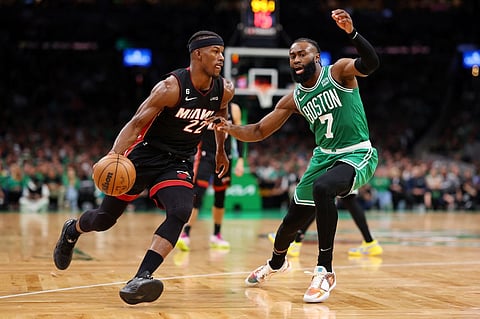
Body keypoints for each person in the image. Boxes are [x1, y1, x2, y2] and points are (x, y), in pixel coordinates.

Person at [53, 30, 234, 305]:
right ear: (197, 54)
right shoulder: (170, 88)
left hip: (179, 161)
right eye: (215, 52)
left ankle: (141, 277)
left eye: (222, 52)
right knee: (103, 219)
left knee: (182, 211)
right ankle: (73, 229)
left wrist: (221, 150)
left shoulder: (224, 90)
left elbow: (220, 117)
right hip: (146, 156)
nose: (221, 57)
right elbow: (137, 123)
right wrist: (113, 156)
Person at [212, 9, 379, 303]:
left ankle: (325, 270)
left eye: (302, 54)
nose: (296, 59)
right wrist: (230, 128)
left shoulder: (338, 72)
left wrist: (352, 33)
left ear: (316, 58)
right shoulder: (294, 98)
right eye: (291, 56)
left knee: (323, 188)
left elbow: (371, 63)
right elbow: (261, 130)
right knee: (290, 222)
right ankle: (277, 263)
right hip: (323, 157)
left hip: (356, 153)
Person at [176, 101, 244, 251]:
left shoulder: (234, 108)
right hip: (205, 155)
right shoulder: (207, 105)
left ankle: (216, 235)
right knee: (197, 194)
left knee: (220, 196)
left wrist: (240, 159)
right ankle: (185, 234)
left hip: (226, 157)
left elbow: (239, 134)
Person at [268, 192, 383, 258]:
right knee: (339, 198)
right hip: (346, 158)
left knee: (323, 195)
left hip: (343, 157)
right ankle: (370, 242)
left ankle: (296, 241)